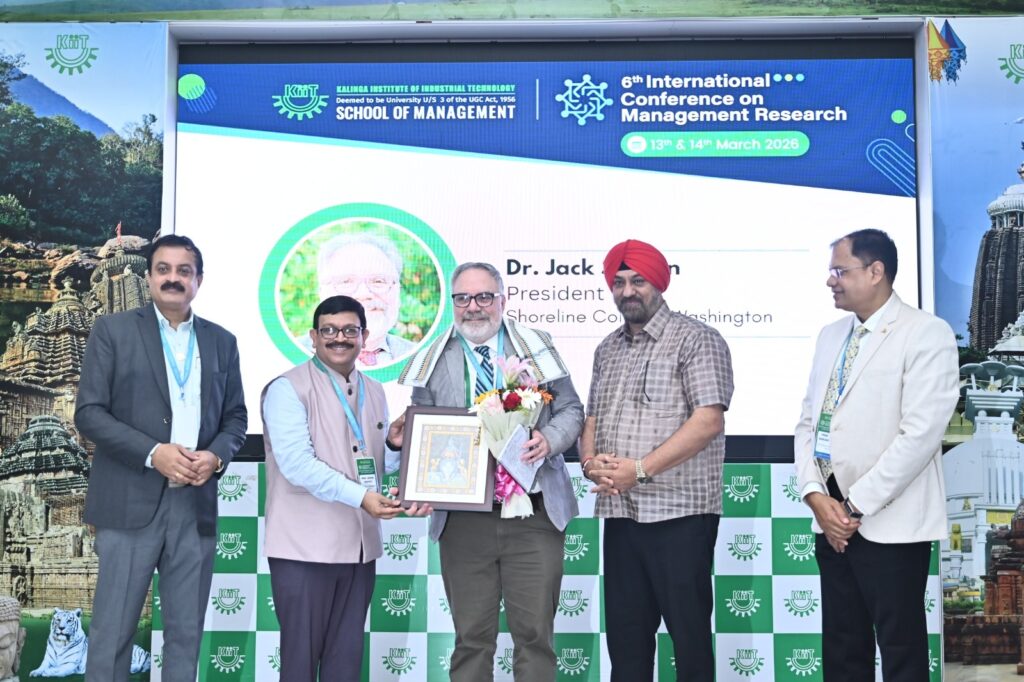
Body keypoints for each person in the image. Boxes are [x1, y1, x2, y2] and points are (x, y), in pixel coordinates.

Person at [391, 262, 584, 682]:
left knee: (535, 637)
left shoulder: (536, 345)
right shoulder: (432, 358)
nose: (473, 307)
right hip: (463, 520)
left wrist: (549, 439)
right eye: (463, 298)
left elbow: (571, 409)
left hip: (533, 513)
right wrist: (415, 474)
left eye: (483, 297)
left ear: (502, 299)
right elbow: (422, 428)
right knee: (471, 640)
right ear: (453, 303)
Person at [76, 234, 247, 682]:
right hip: (128, 503)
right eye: (164, 269)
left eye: (184, 271)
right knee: (113, 632)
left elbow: (235, 418)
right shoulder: (112, 331)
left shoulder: (222, 341)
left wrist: (216, 457)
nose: (173, 278)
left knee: (186, 635)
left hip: (194, 504)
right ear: (149, 277)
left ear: (199, 280)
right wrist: (154, 454)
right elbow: (89, 413)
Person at [794, 229, 958, 681]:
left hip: (889, 524)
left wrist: (852, 506)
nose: (830, 281)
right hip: (831, 521)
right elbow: (808, 421)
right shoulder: (830, 336)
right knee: (842, 651)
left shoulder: (926, 333)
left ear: (876, 271)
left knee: (901, 652)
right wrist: (815, 495)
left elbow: (920, 435)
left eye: (839, 270)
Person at [583, 239, 733, 682]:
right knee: (626, 643)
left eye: (638, 281)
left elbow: (708, 420)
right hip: (621, 512)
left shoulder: (697, 339)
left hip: (679, 514)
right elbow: (592, 418)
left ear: (659, 283)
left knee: (689, 642)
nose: (628, 291)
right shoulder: (607, 348)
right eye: (618, 282)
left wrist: (640, 470)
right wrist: (589, 463)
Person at [261, 295, 430, 682]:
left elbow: (373, 464)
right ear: (313, 337)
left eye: (350, 330)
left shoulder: (375, 390)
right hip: (304, 550)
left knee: (345, 664)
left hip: (359, 549)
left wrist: (393, 447)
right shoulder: (287, 388)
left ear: (364, 337)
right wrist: (362, 498)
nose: (340, 338)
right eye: (329, 330)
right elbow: (296, 464)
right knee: (300, 665)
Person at [309, 233, 415, 366]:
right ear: (322, 293)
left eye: (378, 281)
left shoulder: (422, 356)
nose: (364, 294)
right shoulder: (292, 360)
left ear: (397, 290)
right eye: (346, 282)